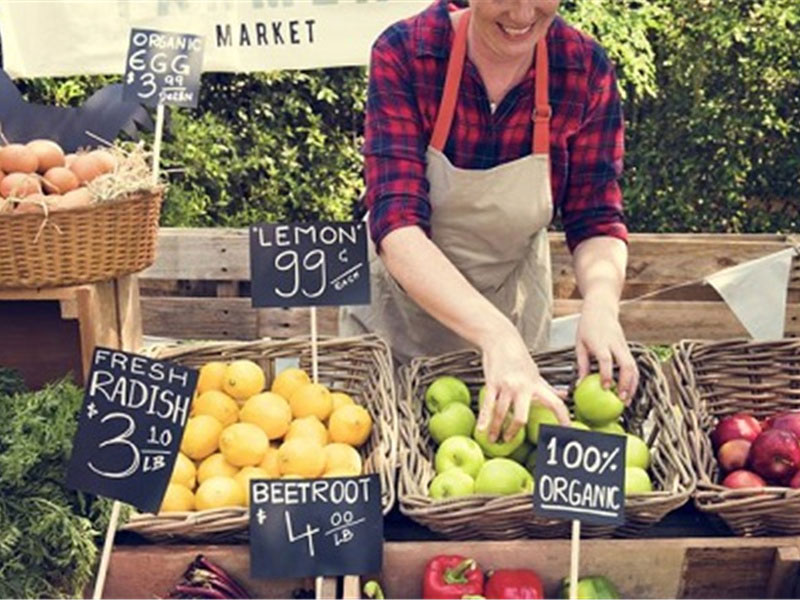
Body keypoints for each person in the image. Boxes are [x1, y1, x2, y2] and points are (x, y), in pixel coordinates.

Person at [340, 0, 639, 444]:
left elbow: (595, 214)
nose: (521, 15)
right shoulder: (408, 52)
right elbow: (396, 220)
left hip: (514, 326)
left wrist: (599, 303)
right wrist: (495, 334)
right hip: (397, 325)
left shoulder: (582, 68)